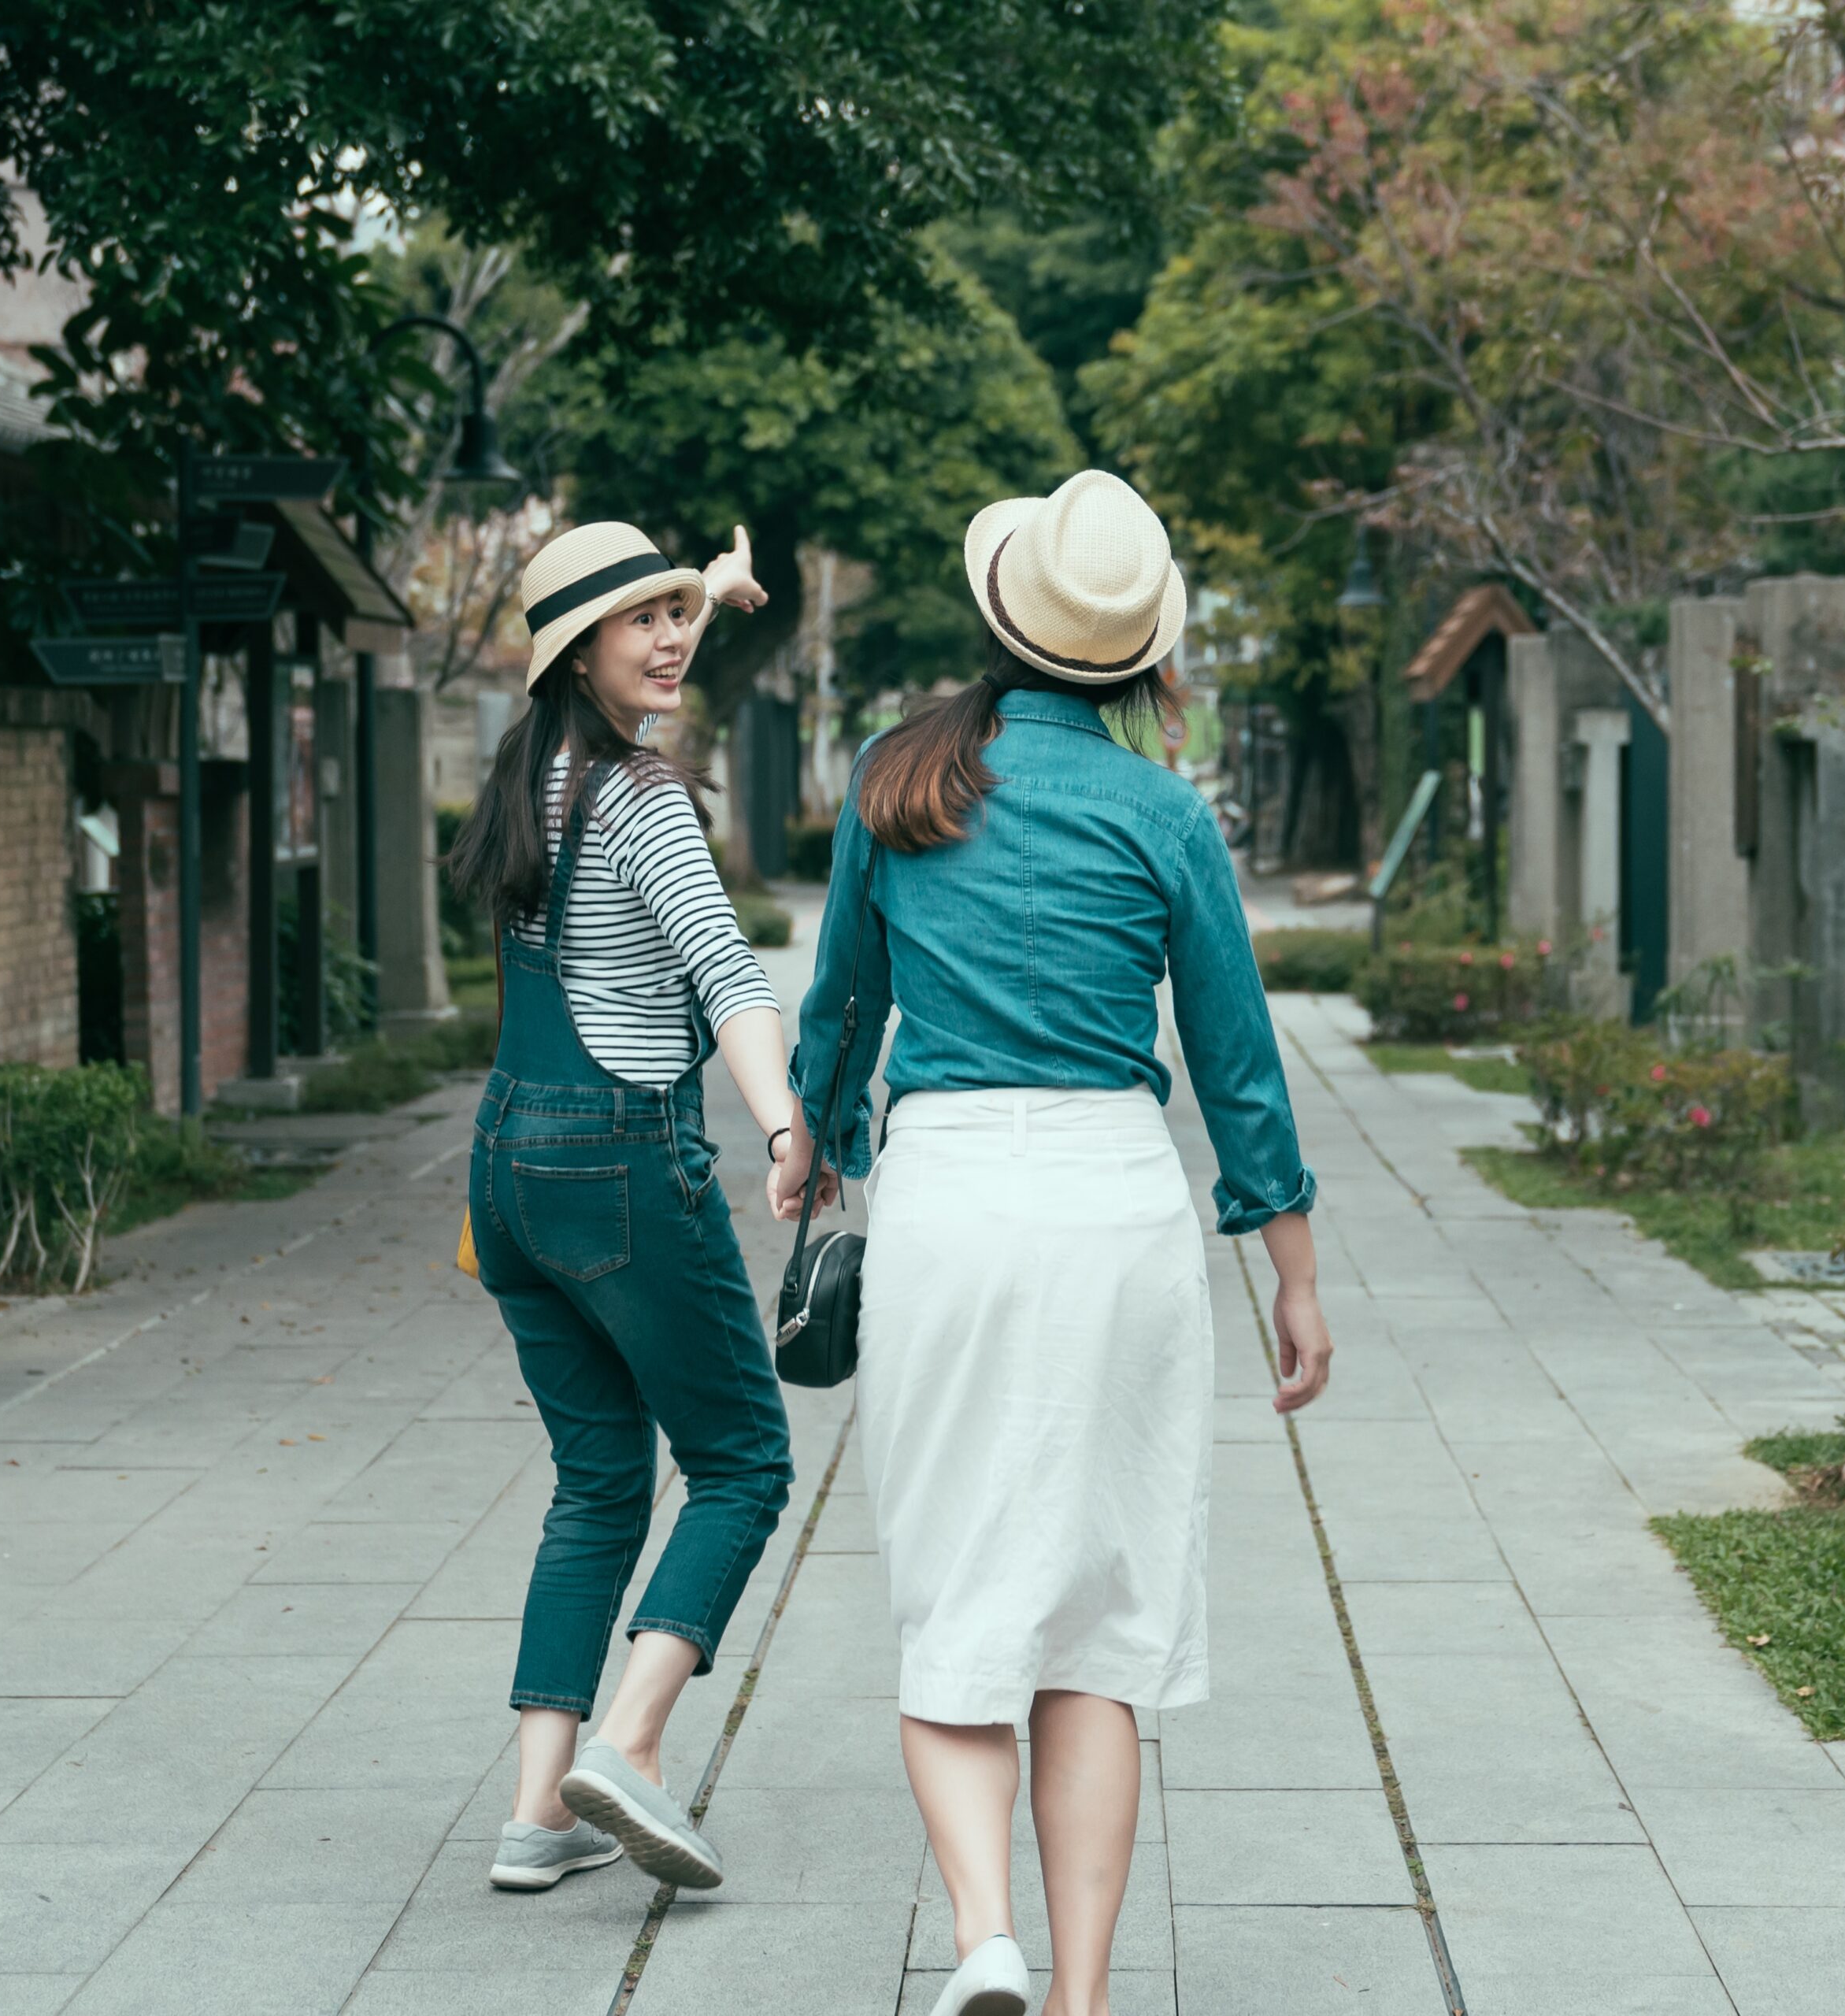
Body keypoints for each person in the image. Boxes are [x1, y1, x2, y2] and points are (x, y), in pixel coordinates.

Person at [784, 470, 1332, 2016]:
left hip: (948, 1198)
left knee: (958, 1583)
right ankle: (1083, 1998)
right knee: (1100, 1614)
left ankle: (984, 1941)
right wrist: (1293, 1275)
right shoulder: (1167, 814)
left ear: (997, 614)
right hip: (1116, 1205)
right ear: (1147, 657)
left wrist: (812, 1147)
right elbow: (1237, 1062)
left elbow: (841, 1010)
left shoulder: (904, 779)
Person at [447, 520, 827, 1895]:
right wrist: (785, 1119)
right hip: (616, 1162)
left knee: (600, 1482)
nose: (669, 640)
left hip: (505, 1169)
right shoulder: (647, 799)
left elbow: (632, 675)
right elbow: (724, 970)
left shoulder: (528, 775)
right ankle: (632, 1741)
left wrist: (709, 594)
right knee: (743, 1462)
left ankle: (538, 1812)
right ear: (580, 654)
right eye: (643, 624)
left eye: (678, 614)